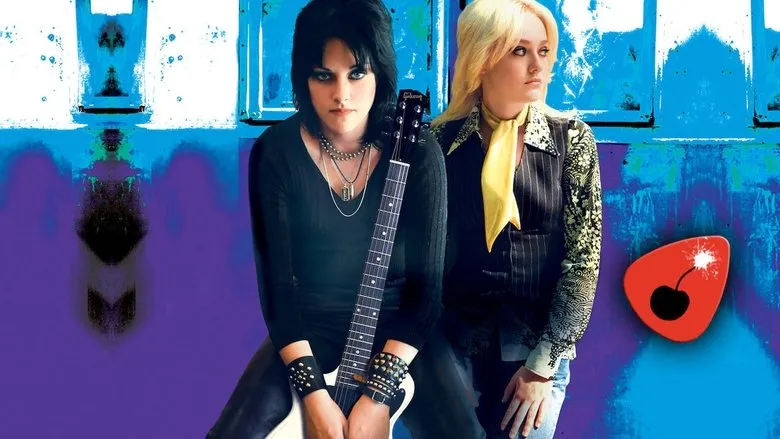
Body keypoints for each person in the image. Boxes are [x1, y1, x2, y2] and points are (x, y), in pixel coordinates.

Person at [205, 0, 447, 438]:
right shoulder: (276, 152)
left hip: (400, 331)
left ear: (380, 72)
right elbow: (278, 292)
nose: (341, 95)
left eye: (357, 74)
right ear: (304, 78)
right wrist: (316, 399)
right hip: (306, 329)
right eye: (323, 76)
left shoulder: (419, 151)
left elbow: (426, 292)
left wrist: (376, 396)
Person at [403, 1, 603, 438]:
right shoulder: (439, 142)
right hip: (451, 346)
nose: (538, 65)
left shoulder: (572, 140)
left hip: (535, 348)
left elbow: (583, 265)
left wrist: (542, 367)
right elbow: (418, 261)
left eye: (544, 51)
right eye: (519, 50)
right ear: (483, 58)